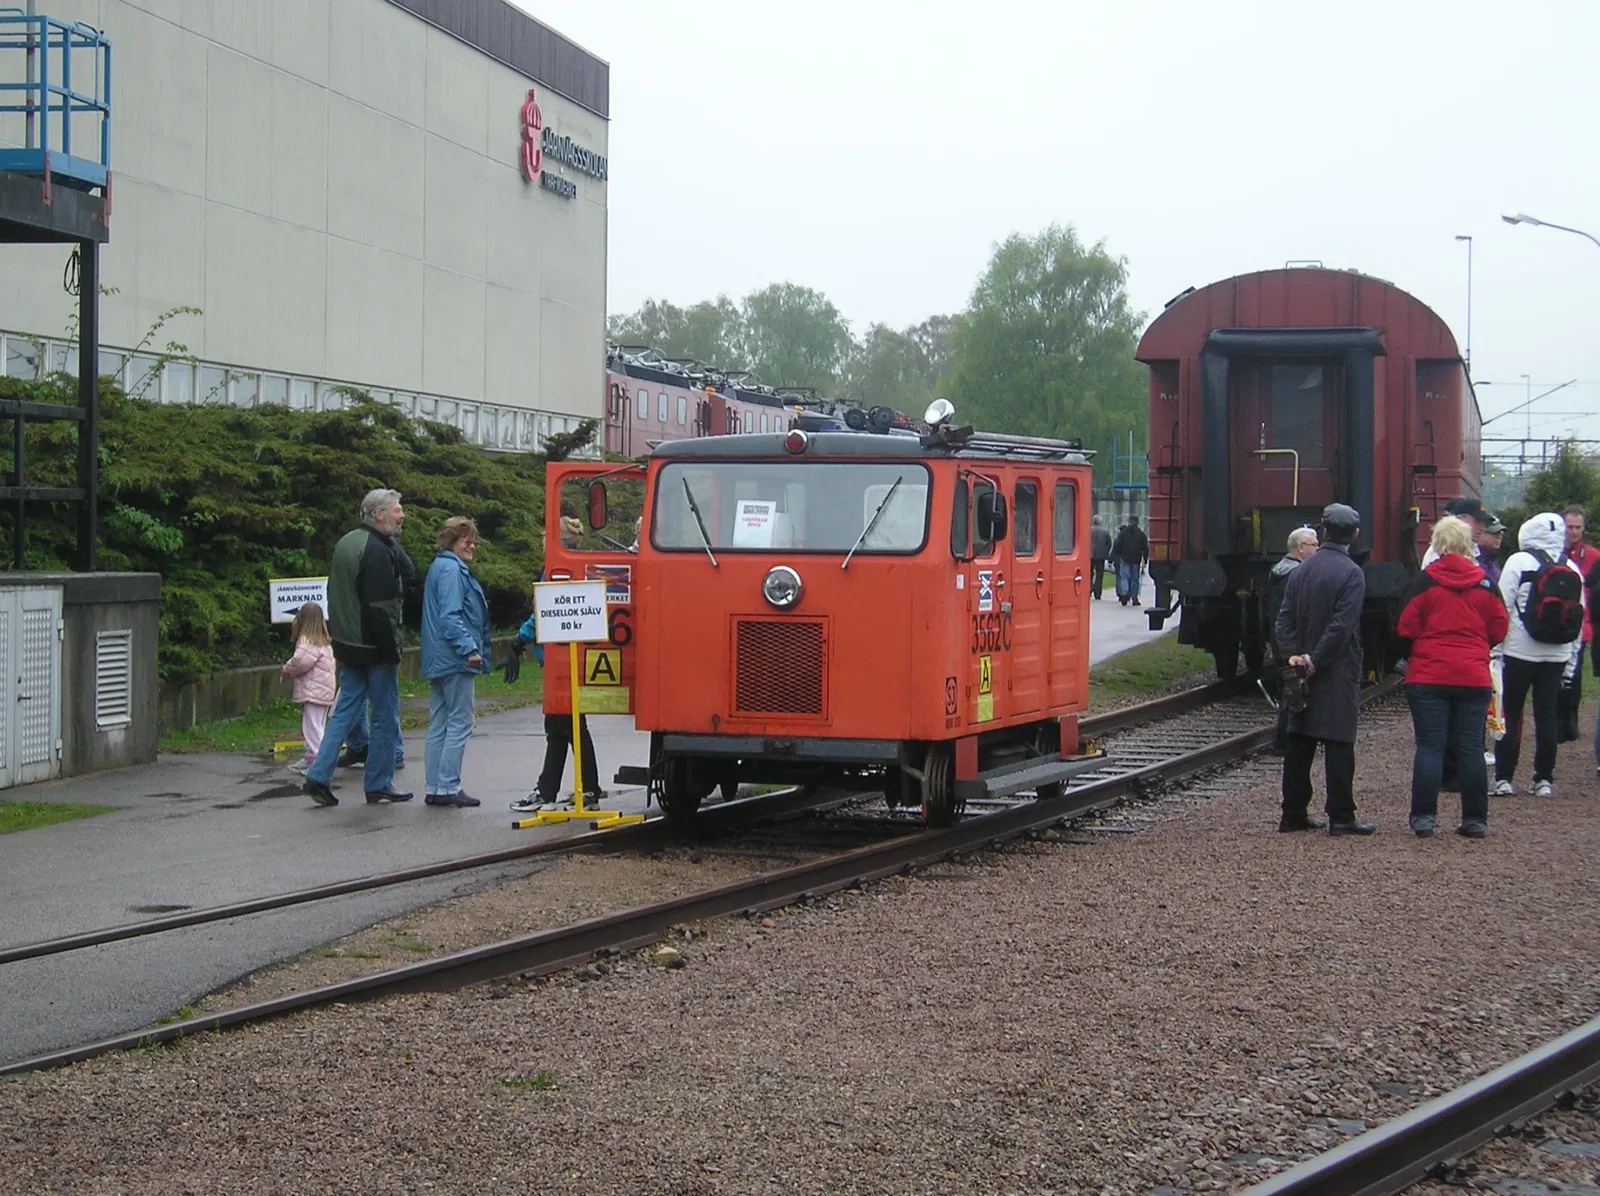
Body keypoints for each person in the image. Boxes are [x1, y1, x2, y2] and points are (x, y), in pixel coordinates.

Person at [1395, 516, 1509, 839]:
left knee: (1430, 746)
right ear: (1468, 543)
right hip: (1473, 676)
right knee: (1471, 747)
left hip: (1428, 675)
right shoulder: (1485, 583)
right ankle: (1475, 820)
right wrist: (1478, 646)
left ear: (1438, 544)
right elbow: (1500, 627)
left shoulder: (1424, 581)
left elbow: (1404, 626)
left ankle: (1424, 819)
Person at [302, 488, 413, 807]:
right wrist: (390, 652)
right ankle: (379, 782)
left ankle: (318, 775)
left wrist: (390, 540)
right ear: (378, 515)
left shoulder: (349, 542)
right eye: (397, 510)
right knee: (384, 716)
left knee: (344, 712)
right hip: (374, 647)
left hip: (347, 643)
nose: (402, 515)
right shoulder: (376, 552)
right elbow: (381, 608)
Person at [1273, 503, 1375, 835]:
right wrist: (1316, 659)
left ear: (1324, 530)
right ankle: (1341, 816)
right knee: (1339, 741)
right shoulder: (1352, 574)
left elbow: (1284, 619)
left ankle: (1293, 812)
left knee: (1299, 739)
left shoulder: (1300, 570)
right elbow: (1341, 627)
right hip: (1336, 668)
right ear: (1355, 535)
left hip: (1300, 667)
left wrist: (1294, 656)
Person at [505, 540, 605, 814]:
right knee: (568, 727)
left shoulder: (555, 571)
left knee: (564, 725)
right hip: (571, 656)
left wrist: (520, 638)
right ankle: (577, 789)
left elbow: (545, 612)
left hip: (556, 659)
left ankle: (552, 791)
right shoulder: (579, 571)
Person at [1492, 512, 1584, 798]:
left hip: (1520, 650)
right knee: (1546, 714)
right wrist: (1571, 660)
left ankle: (1504, 778)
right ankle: (1543, 779)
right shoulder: (1571, 568)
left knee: (1512, 712)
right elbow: (1577, 619)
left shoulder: (1518, 562)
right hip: (1556, 654)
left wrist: (1496, 650)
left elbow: (1502, 607)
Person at [420, 516, 491, 809]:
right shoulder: (452, 571)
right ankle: (449, 784)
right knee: (460, 721)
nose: (472, 545)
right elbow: (451, 617)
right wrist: (469, 649)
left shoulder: (441, 567)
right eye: (466, 540)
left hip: (438, 657)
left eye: (474, 540)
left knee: (439, 722)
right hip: (455, 657)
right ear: (452, 541)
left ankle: (435, 785)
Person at [337, 537, 417, 772]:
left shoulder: (386, 548)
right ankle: (361, 745)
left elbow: (408, 575)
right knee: (362, 697)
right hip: (359, 634)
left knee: (382, 700)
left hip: (374, 635)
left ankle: (392, 751)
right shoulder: (363, 548)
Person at [1266, 526, 1319, 750]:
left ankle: (1286, 740)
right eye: (1314, 545)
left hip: (1282, 640)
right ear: (1300, 548)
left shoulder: (1279, 570)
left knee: (1290, 689)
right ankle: (1285, 742)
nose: (1318, 549)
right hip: (1293, 644)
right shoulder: (1296, 575)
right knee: (1294, 691)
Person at [281, 602, 336, 774]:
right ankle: (311, 758)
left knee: (311, 728)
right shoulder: (324, 641)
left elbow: (300, 661)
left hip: (314, 692)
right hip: (324, 691)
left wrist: (286, 669)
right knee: (317, 725)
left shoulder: (307, 641)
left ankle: (321, 764)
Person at [1558, 505, 1597, 743]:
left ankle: (1570, 721)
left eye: (1577, 527)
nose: (1573, 532)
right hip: (1554, 623)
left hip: (1581, 625)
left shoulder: (1593, 557)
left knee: (1574, 677)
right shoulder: (1550, 553)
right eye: (1569, 527)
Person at [1112, 516, 1149, 607]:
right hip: (1136, 559)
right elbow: (1145, 548)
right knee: (1135, 579)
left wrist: (1119, 554)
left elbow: (1117, 544)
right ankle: (1134, 598)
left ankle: (1124, 594)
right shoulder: (1141, 534)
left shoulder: (1123, 533)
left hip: (1124, 558)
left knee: (1124, 577)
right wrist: (1145, 559)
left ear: (1129, 522)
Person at [1089, 514, 1112, 601]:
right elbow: (1109, 543)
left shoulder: (1089, 530)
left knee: (1089, 574)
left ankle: (1089, 589)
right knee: (1099, 575)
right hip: (1101, 555)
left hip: (1090, 555)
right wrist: (1106, 552)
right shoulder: (1105, 531)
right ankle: (1098, 593)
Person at [1478, 515, 1506, 586]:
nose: (1499, 536)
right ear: (1480, 534)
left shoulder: (1493, 560)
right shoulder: (1474, 561)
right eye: (1494, 532)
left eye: (1501, 533)